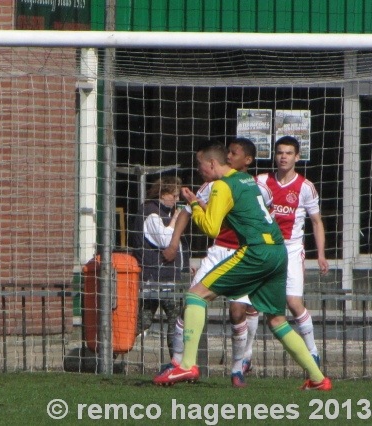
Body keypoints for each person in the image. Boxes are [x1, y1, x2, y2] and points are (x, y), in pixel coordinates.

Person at [153, 140, 331, 391]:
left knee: (195, 296)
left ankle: (186, 364)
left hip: (256, 251)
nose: (199, 169)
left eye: (200, 164)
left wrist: (194, 204)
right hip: (278, 251)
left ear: (212, 164)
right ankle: (317, 378)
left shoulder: (222, 186)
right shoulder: (248, 181)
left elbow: (211, 228)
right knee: (277, 319)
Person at [163, 138, 271, 387]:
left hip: (244, 253)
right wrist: (173, 242)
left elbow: (265, 217)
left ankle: (238, 368)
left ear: (247, 160)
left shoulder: (255, 187)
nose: (230, 156)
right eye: (228, 152)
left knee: (237, 312)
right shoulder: (211, 186)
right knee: (190, 302)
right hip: (218, 252)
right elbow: (187, 213)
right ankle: (178, 361)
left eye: (234, 153)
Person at [252, 136, 330, 367]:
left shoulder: (305, 187)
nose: (283, 156)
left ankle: (313, 352)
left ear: (297, 157)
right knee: (250, 304)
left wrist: (322, 254)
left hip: (292, 249)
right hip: (265, 248)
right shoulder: (262, 182)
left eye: (288, 153)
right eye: (279, 152)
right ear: (274, 156)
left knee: (294, 303)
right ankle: (244, 359)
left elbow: (316, 222)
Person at [129, 176, 189, 358]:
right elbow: (165, 240)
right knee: (170, 319)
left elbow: (177, 245)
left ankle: (175, 359)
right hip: (156, 277)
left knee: (151, 318)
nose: (177, 200)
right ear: (163, 193)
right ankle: (176, 360)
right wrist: (175, 222)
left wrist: (185, 264)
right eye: (174, 195)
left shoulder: (164, 213)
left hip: (167, 276)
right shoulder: (152, 213)